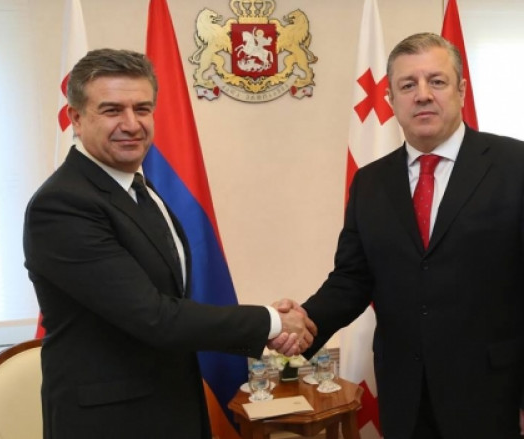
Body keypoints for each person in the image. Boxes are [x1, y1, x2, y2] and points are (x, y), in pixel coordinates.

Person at [280, 33, 524, 439]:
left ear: (461, 91)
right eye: (408, 85)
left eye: (436, 81)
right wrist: (304, 323)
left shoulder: (519, 166)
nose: (422, 95)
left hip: (494, 397)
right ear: (390, 99)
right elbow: (352, 279)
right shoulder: (370, 183)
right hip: (405, 397)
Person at [23, 48, 315, 439]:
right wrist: (273, 321)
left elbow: (169, 298)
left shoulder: (137, 187)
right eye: (112, 110)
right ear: (76, 118)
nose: (132, 124)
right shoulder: (63, 205)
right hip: (111, 423)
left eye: (142, 109)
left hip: (172, 404)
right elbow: (153, 317)